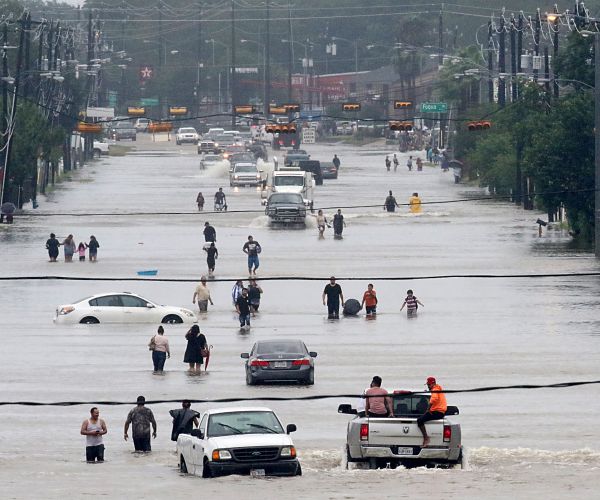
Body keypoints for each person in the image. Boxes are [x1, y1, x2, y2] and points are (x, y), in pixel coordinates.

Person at [417, 377, 447, 447]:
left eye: (429, 385)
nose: (428, 386)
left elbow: (434, 399)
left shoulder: (435, 389)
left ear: (433, 384)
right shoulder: (438, 388)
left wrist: (428, 409)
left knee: (420, 420)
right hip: (439, 412)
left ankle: (426, 438)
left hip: (437, 412)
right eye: (427, 385)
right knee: (422, 418)